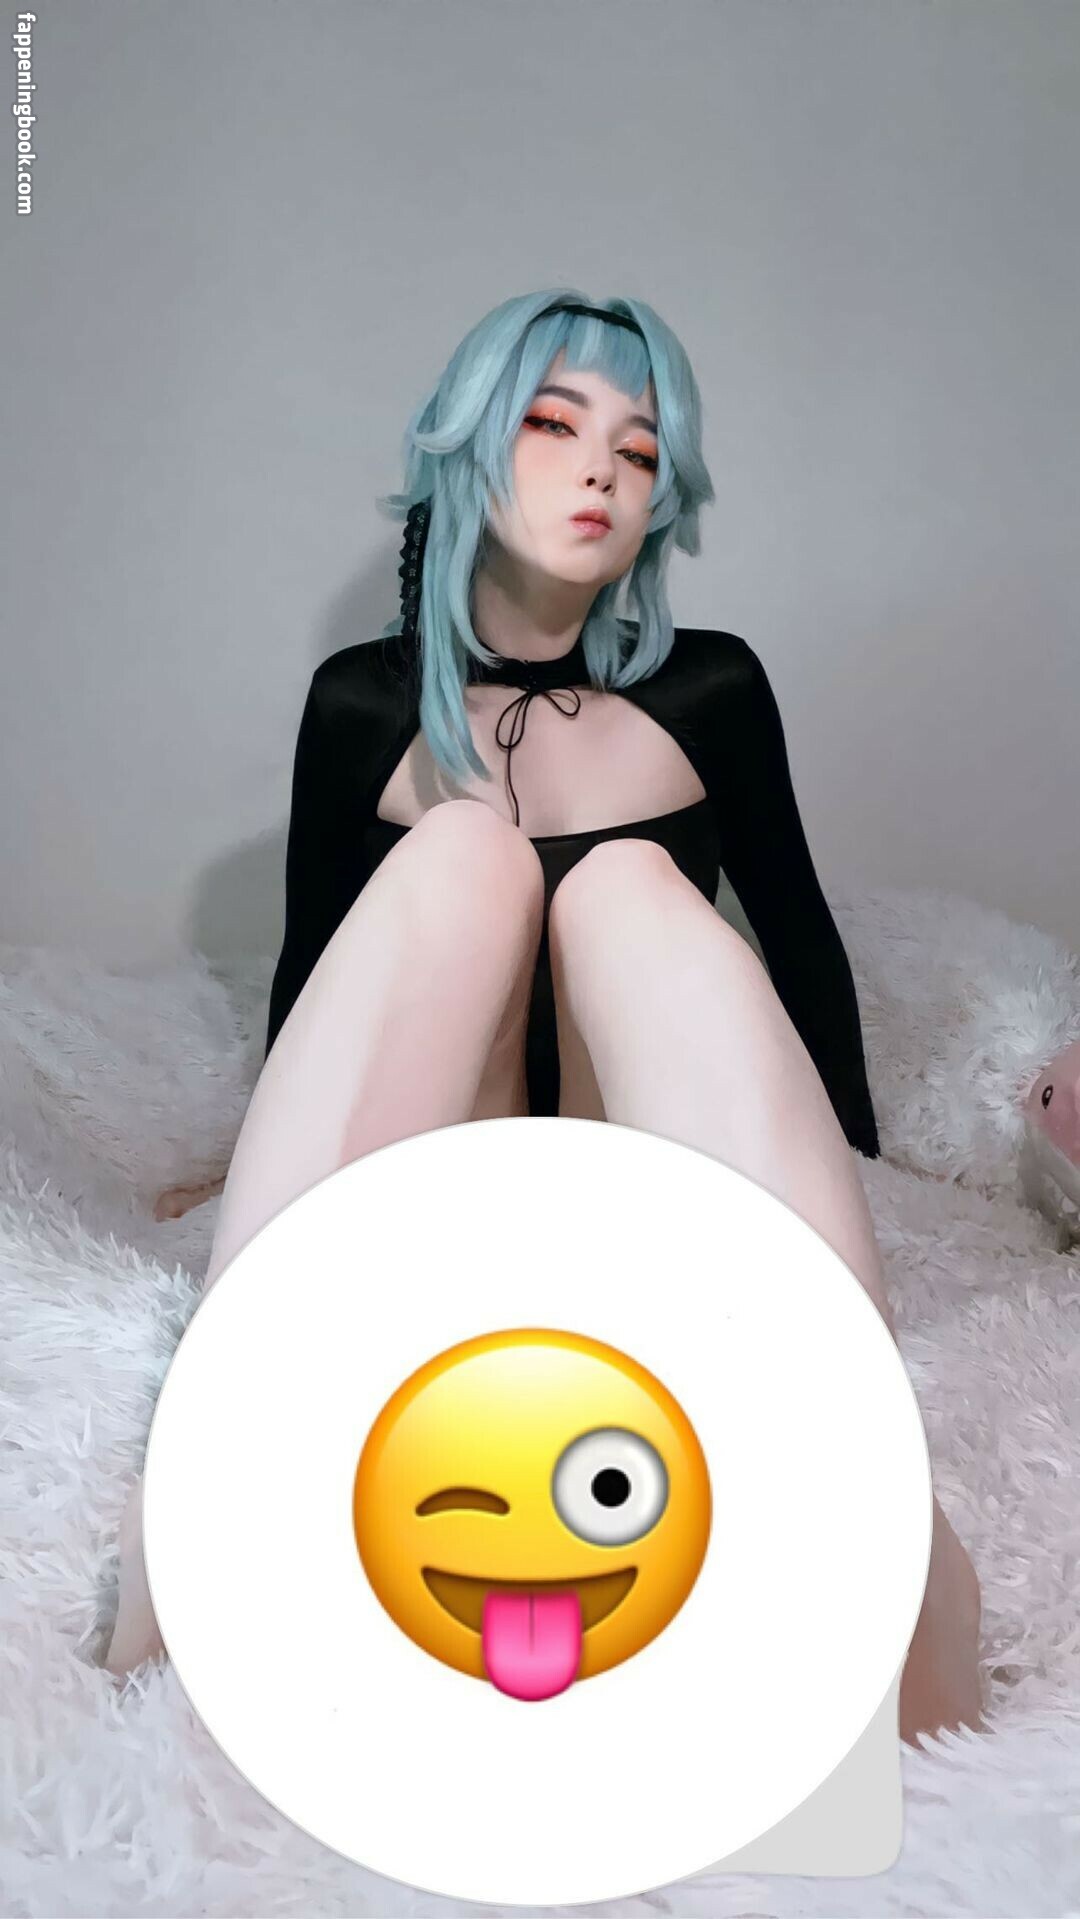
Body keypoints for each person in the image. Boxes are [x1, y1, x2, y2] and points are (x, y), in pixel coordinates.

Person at [105, 289, 982, 1747]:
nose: (601, 474)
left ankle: (878, 1515)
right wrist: (243, 1153)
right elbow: (319, 967)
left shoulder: (711, 690)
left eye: (639, 453)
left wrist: (861, 1158)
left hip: (645, 1189)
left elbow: (798, 937)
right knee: (463, 856)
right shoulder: (359, 706)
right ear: (464, 446)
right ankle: (219, 1473)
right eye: (553, 425)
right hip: (431, 1195)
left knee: (628, 888)